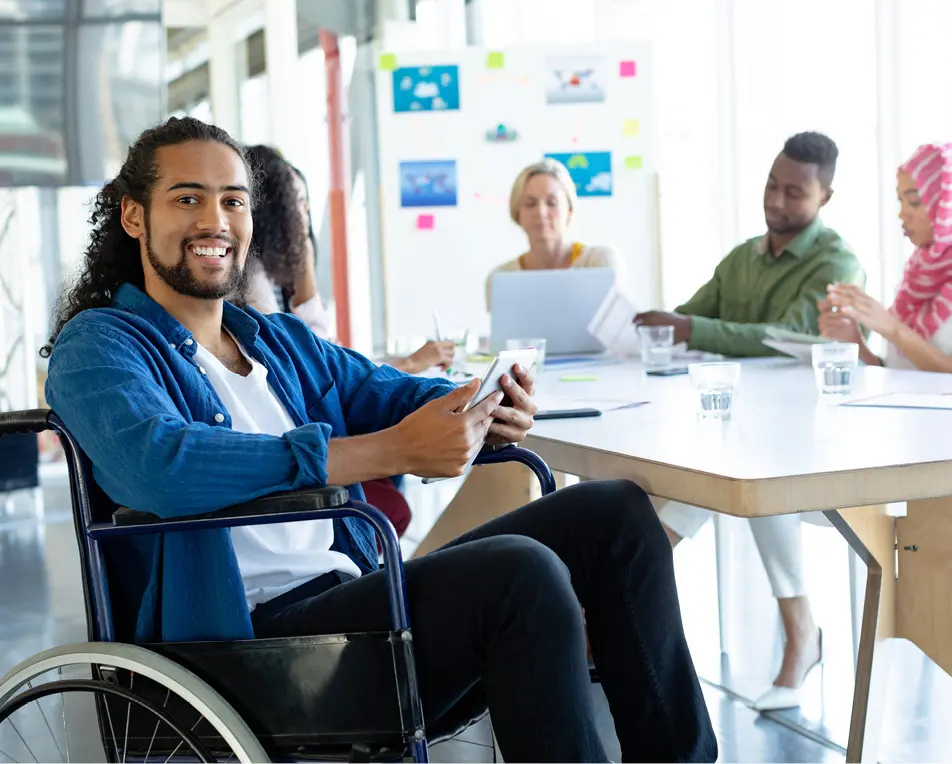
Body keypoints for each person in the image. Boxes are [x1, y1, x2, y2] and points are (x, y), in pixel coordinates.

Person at [42, 117, 717, 762]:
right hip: (245, 646)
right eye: (188, 198)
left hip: (353, 600)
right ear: (134, 215)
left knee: (616, 512)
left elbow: (388, 392)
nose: (215, 221)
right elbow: (161, 467)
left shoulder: (274, 340)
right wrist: (388, 450)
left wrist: (478, 407)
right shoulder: (100, 345)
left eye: (233, 201)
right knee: (520, 572)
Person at [635, 132, 866, 711]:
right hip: (748, 434)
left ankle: (613, 596)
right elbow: (693, 314)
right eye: (771, 184)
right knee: (725, 468)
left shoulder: (836, 261)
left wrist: (691, 331)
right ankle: (799, 634)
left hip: (818, 441)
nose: (777, 200)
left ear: (825, 197)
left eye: (795, 191)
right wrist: (659, 325)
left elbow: (784, 339)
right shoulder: (742, 258)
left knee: (734, 474)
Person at [243, 144, 454, 375]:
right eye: (297, 202)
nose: (305, 212)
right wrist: (409, 364)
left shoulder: (274, 272)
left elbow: (329, 355)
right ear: (272, 210)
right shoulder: (252, 277)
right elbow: (317, 366)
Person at [822, 143, 952, 370]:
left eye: (914, 202)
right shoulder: (917, 276)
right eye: (900, 201)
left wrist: (892, 328)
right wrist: (856, 343)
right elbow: (901, 373)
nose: (902, 214)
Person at [485, 158, 619, 308]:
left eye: (551, 203)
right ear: (517, 213)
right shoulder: (501, 279)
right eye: (530, 204)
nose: (541, 213)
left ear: (569, 210)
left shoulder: (599, 263)